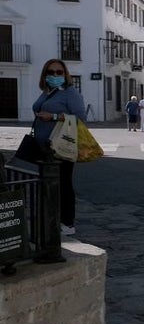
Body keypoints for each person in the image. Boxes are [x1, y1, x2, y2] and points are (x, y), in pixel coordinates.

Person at [32, 59, 86, 236]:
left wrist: (53, 116)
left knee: (63, 184)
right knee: (48, 185)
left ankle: (67, 223)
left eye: (59, 72)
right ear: (45, 75)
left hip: (61, 145)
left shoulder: (70, 93)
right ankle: (51, 219)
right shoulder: (48, 92)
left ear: (65, 74)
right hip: (45, 148)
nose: (55, 75)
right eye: (50, 72)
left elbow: (80, 118)